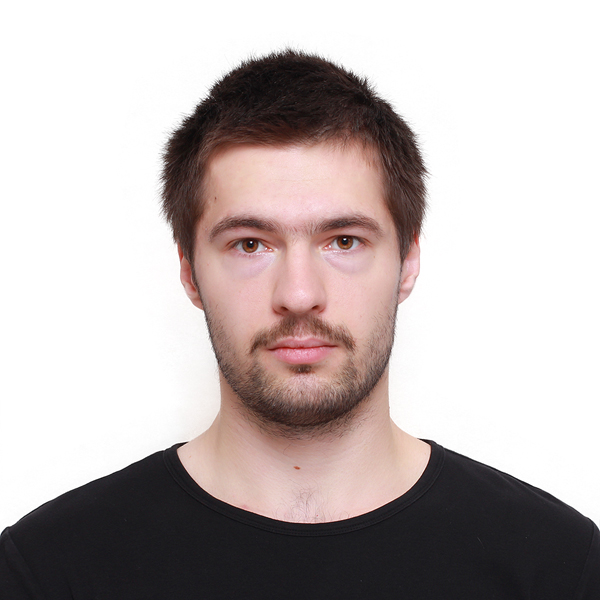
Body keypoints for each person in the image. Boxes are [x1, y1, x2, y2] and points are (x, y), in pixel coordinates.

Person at [1, 49, 598, 599]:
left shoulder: (560, 568)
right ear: (189, 272)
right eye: (250, 244)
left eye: (344, 240)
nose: (299, 295)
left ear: (408, 261)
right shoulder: (47, 571)